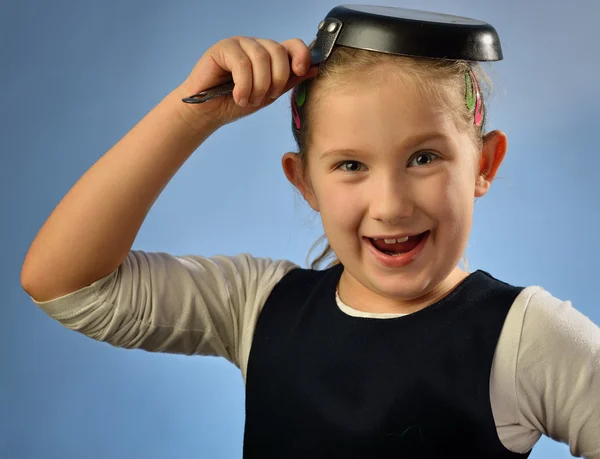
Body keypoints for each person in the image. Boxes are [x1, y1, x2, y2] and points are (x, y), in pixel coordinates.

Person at [20, 35, 600, 458]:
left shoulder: (527, 336)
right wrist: (188, 116)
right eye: (350, 165)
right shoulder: (256, 306)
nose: (391, 204)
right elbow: (65, 284)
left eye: (424, 158)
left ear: (484, 163)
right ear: (304, 183)